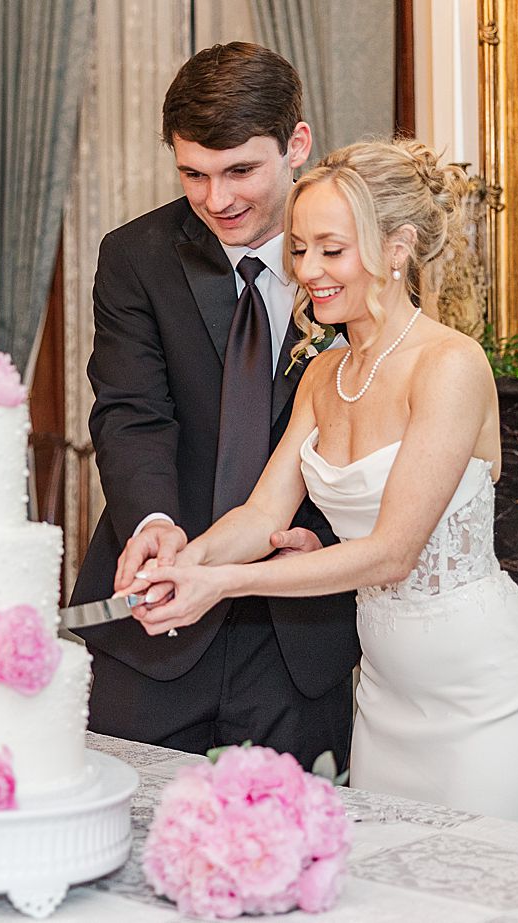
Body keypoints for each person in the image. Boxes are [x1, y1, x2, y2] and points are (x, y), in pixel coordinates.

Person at [125, 139, 518, 827]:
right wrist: (187, 563)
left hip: (483, 692)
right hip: (386, 693)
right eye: (300, 249)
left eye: (331, 250)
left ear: (397, 249)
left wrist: (225, 584)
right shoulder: (322, 375)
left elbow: (392, 551)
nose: (307, 270)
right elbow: (260, 512)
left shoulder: (449, 364)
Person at [70, 42, 359, 773]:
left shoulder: (360, 261)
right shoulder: (135, 257)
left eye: (239, 171)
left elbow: (380, 417)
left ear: (297, 145)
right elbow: (131, 411)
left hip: (299, 630)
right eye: (193, 174)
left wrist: (329, 538)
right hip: (156, 619)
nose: (217, 199)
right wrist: (154, 521)